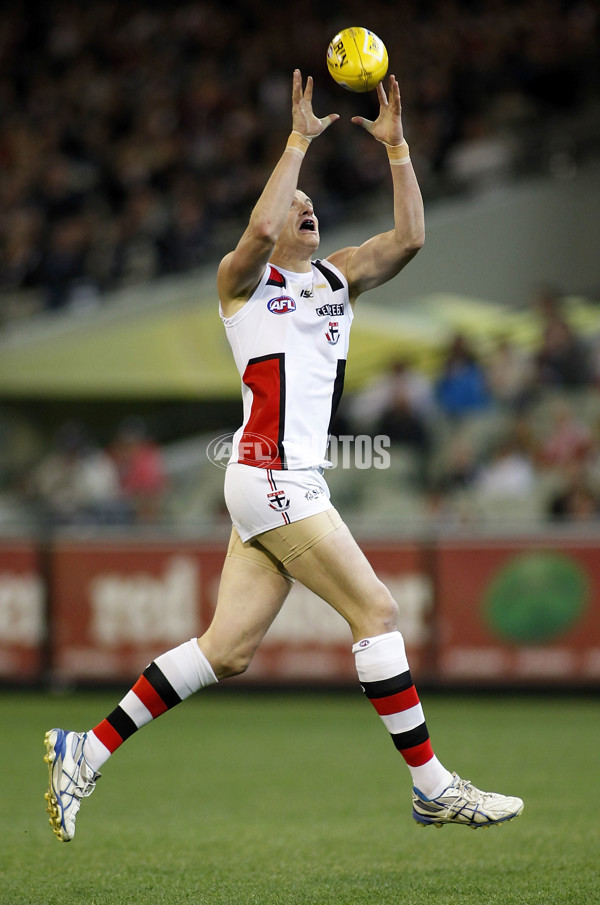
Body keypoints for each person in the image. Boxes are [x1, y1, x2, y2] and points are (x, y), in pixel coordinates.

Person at [44, 70, 523, 843]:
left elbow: (410, 239)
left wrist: (398, 149)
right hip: (274, 478)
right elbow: (259, 230)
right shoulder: (241, 282)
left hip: (272, 482)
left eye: (311, 204)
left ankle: (85, 750)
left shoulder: (337, 278)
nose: (305, 207)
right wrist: (298, 140)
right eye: (293, 202)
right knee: (378, 611)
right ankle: (432, 785)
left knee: (226, 651)